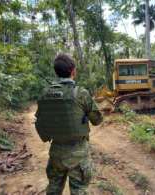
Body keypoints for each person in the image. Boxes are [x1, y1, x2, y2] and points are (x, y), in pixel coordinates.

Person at [34, 53, 103, 195]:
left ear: (56, 71)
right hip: (78, 154)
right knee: (79, 190)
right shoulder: (80, 93)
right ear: (73, 71)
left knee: (53, 189)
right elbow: (97, 120)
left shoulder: (44, 93)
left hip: (56, 152)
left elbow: (40, 123)